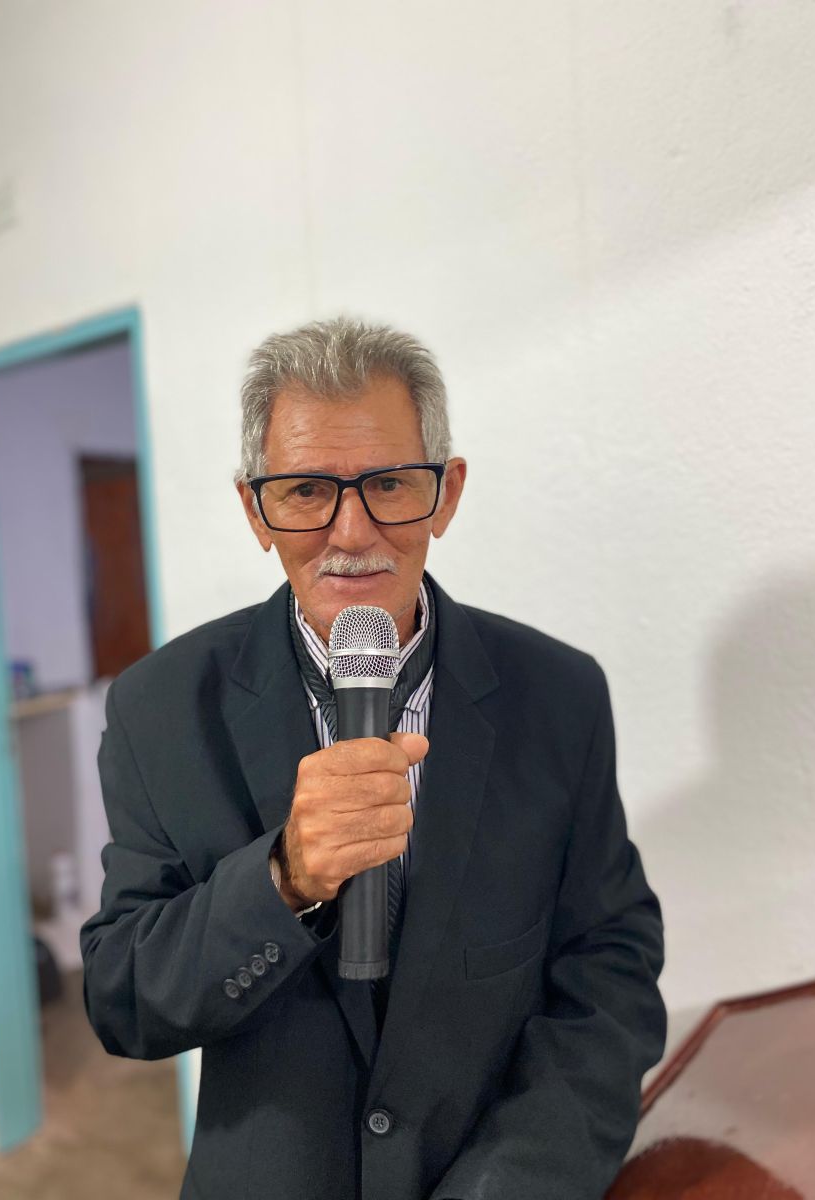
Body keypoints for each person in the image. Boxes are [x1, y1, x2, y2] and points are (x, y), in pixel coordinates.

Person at [80, 317, 666, 1200]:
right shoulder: (159, 707)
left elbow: (609, 966)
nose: (352, 533)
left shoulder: (560, 695)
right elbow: (125, 998)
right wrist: (283, 878)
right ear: (256, 510)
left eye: (389, 483)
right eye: (307, 490)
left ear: (447, 493)